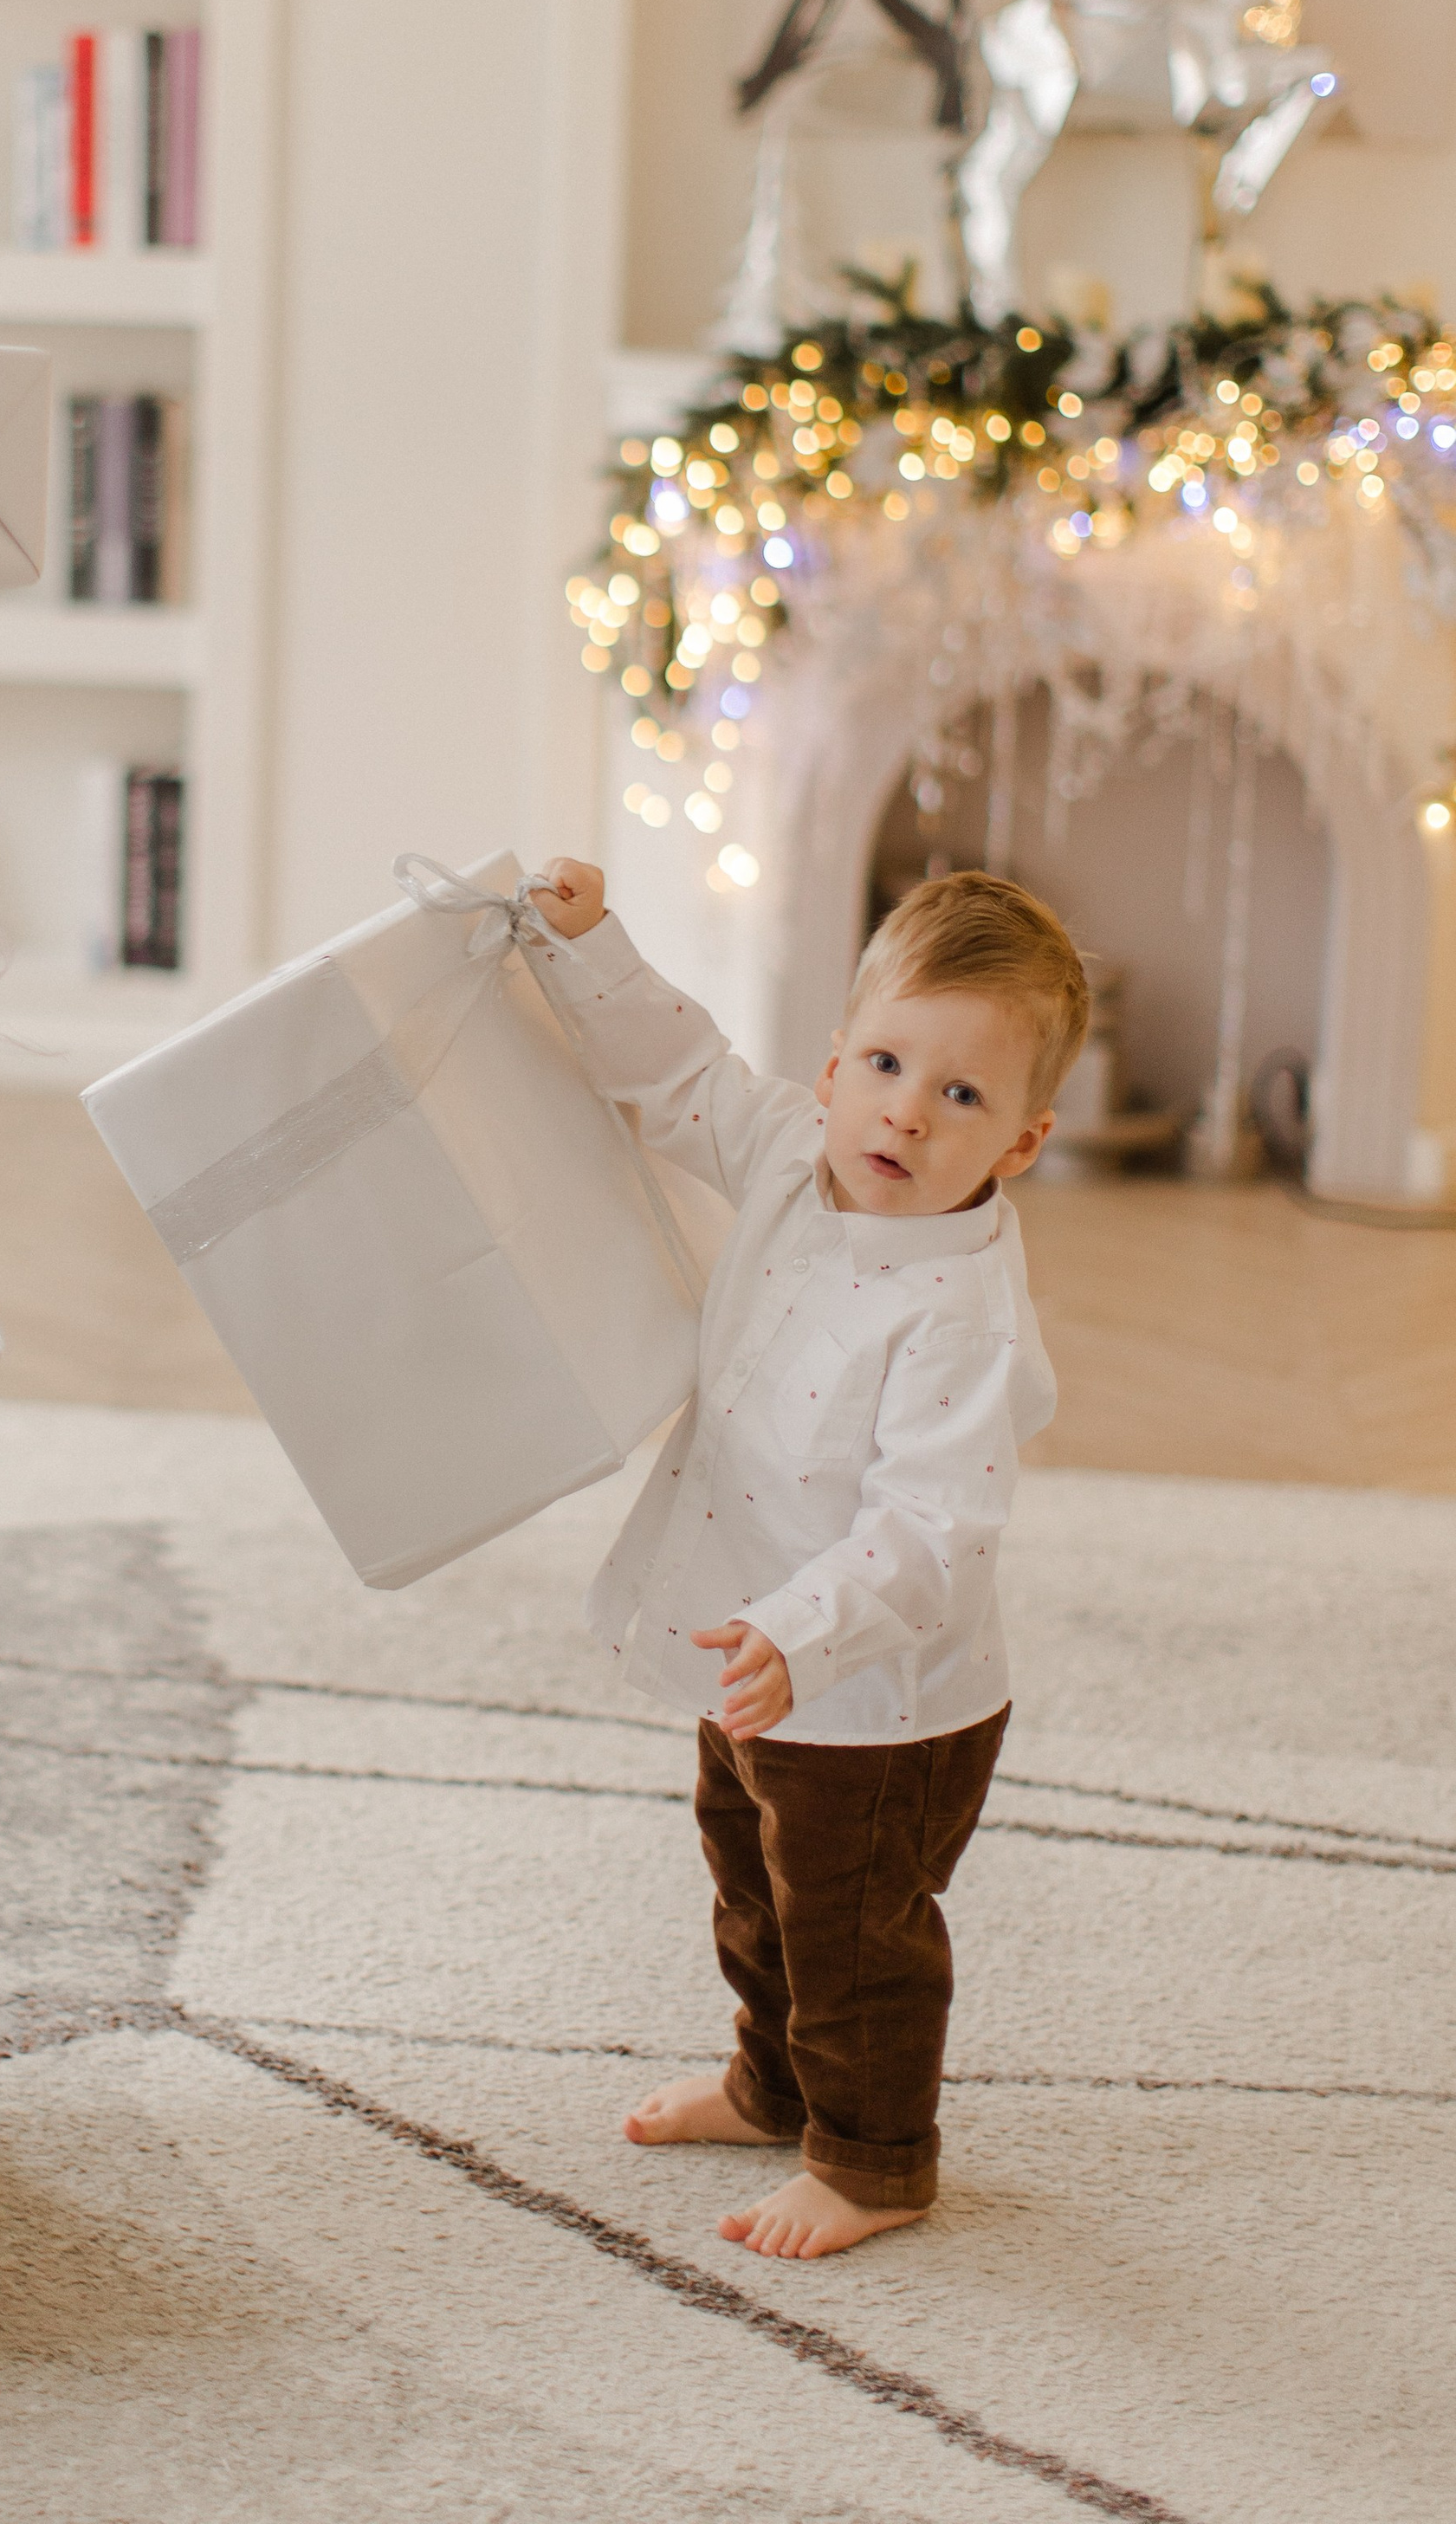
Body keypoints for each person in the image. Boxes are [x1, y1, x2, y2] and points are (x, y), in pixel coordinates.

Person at [527, 859, 1089, 2261]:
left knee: (850, 1931)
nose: (906, 1113)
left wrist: (804, 1630)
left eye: (961, 1095)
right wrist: (590, 942)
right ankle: (771, 2084)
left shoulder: (960, 1315)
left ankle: (874, 2161)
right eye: (886, 1066)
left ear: (1022, 1142)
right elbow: (679, 1073)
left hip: (878, 1699)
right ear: (834, 1067)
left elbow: (933, 1527)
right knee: (750, 1878)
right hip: (753, 1650)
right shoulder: (792, 1152)